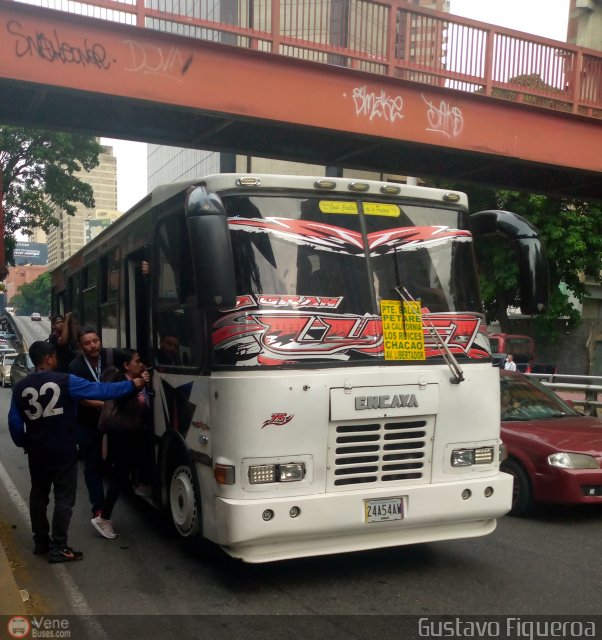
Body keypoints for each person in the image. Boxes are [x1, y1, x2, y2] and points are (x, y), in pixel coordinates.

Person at [7, 341, 146, 563]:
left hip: (37, 452)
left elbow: (14, 424)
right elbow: (102, 390)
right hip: (63, 450)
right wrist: (133, 385)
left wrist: (25, 442)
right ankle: (59, 546)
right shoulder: (65, 381)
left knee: (39, 495)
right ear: (50, 358)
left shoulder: (20, 387)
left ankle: (41, 541)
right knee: (64, 498)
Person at [92, 348, 152, 539]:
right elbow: (123, 398)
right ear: (126, 365)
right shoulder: (121, 381)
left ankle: (143, 483)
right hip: (121, 436)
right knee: (119, 476)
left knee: (122, 474)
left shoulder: (134, 380)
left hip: (131, 435)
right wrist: (140, 384)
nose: (140, 364)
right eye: (137, 361)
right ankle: (103, 517)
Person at [68, 327, 115, 518]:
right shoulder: (75, 366)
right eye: (87, 343)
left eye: (95, 340)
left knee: (115, 463)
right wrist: (103, 404)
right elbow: (78, 396)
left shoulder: (111, 357)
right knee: (92, 464)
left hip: (113, 421)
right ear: (80, 347)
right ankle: (98, 507)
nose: (93, 345)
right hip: (87, 422)